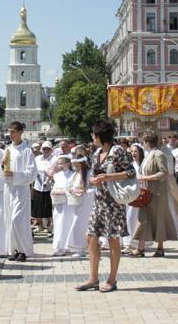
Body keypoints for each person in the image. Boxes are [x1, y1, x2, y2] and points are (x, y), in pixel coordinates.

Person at [75, 120, 135, 293]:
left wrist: (107, 177)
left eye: (94, 134)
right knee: (91, 237)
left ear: (100, 135)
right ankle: (93, 278)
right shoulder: (97, 153)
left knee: (113, 240)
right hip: (99, 202)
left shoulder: (117, 151)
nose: (92, 137)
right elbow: (95, 174)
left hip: (114, 203)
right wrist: (94, 180)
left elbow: (131, 172)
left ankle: (112, 279)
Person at [132, 131, 177, 257]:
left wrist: (147, 178)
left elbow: (163, 173)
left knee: (159, 220)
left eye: (143, 142)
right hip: (147, 193)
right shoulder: (148, 155)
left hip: (157, 194)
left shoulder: (158, 154)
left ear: (147, 142)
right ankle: (140, 248)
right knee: (143, 219)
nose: (142, 144)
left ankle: (160, 248)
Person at [3, 121, 37, 262]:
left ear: (20, 132)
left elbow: (32, 173)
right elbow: (3, 168)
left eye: (13, 132)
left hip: (21, 189)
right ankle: (15, 249)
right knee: (10, 220)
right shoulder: (8, 149)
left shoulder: (27, 150)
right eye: (9, 131)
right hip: (9, 188)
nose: (10, 135)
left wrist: (15, 174)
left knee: (18, 219)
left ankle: (24, 250)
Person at [66, 155, 94, 257]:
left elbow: (93, 189)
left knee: (78, 224)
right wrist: (72, 190)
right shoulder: (76, 174)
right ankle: (79, 247)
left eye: (77, 166)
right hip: (76, 203)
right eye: (74, 166)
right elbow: (74, 186)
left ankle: (80, 248)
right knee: (77, 224)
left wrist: (83, 191)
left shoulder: (89, 174)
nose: (75, 168)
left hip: (86, 203)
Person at [122, 144, 144, 253]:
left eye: (136, 151)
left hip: (141, 195)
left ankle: (137, 242)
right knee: (129, 218)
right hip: (131, 194)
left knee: (138, 219)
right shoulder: (129, 165)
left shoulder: (143, 165)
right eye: (132, 152)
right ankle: (128, 243)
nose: (134, 153)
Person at [32, 141, 57, 233]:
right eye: (44, 149)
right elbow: (34, 169)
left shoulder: (54, 159)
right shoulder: (38, 158)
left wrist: (48, 179)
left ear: (51, 149)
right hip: (38, 185)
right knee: (37, 206)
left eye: (48, 149)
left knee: (48, 206)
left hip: (49, 186)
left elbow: (53, 171)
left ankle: (50, 225)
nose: (46, 150)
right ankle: (40, 225)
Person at [51, 155, 73, 256]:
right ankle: (59, 246)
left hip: (68, 203)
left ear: (68, 163)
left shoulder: (73, 175)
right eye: (59, 163)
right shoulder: (58, 175)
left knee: (66, 223)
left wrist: (63, 191)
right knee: (58, 223)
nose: (60, 165)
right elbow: (55, 186)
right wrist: (55, 191)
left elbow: (72, 188)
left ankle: (66, 246)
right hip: (58, 203)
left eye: (62, 163)